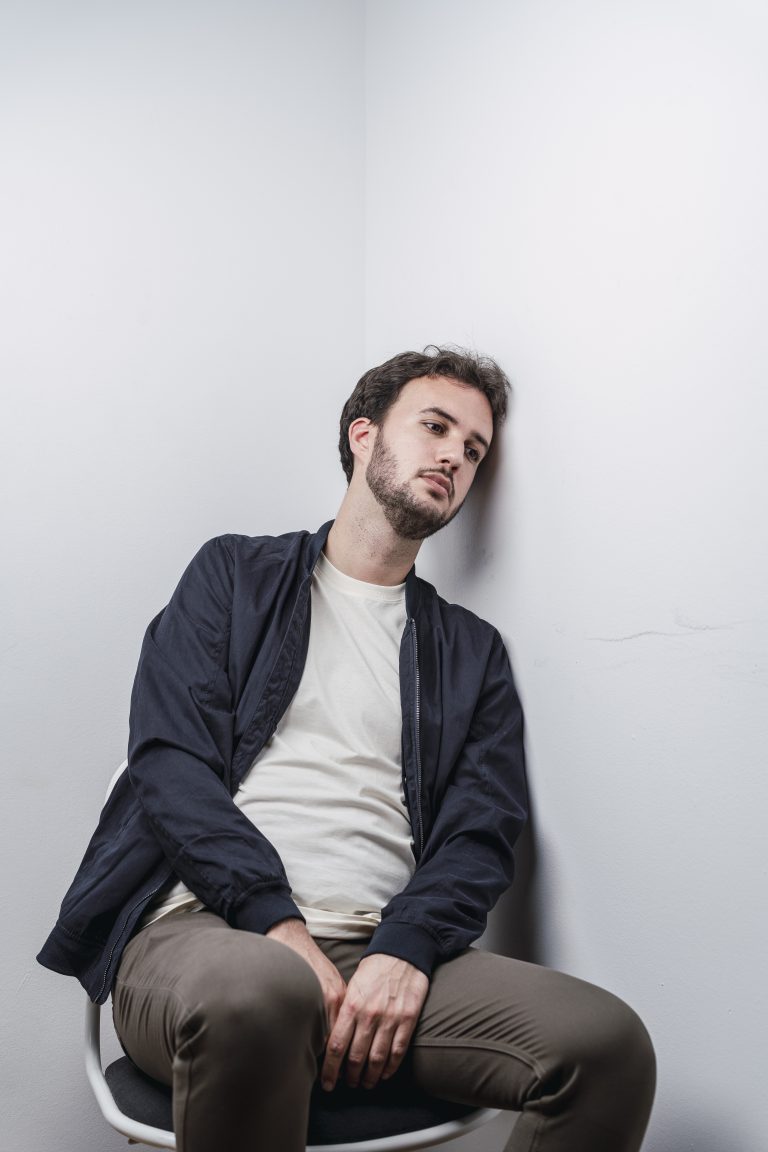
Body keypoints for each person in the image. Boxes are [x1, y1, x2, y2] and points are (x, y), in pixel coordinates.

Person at [38, 347, 655, 1152]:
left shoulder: (471, 653)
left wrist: (405, 950)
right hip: (208, 935)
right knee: (263, 992)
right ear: (362, 436)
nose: (453, 457)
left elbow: (479, 831)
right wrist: (279, 930)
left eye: (473, 450)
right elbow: (170, 764)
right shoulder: (234, 575)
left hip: (386, 949)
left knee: (605, 1045)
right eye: (434, 427)